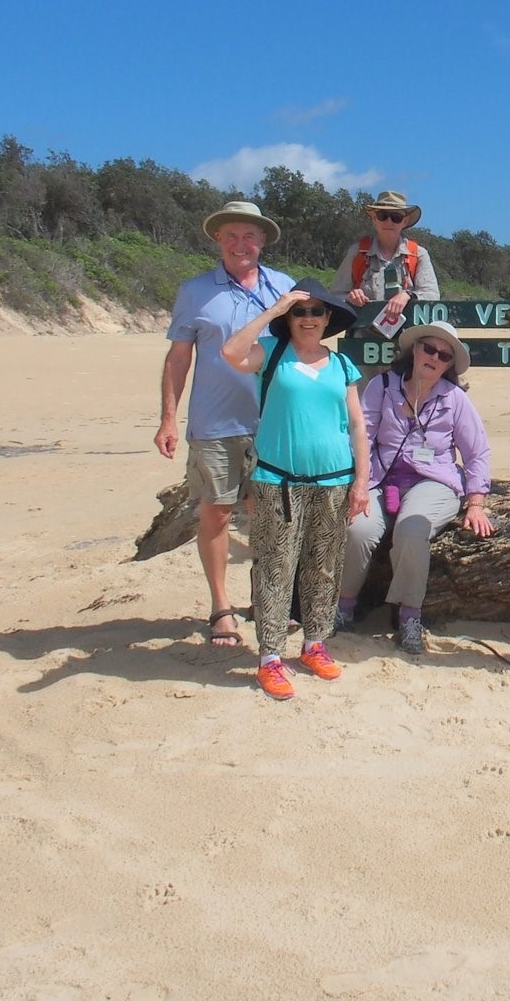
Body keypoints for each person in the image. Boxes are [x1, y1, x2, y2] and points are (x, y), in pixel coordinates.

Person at [154, 200, 294, 648]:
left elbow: (304, 349)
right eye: (231, 235)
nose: (241, 244)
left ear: (263, 240)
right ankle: (220, 607)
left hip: (273, 422)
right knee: (215, 514)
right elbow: (179, 358)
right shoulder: (196, 291)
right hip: (214, 423)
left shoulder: (285, 288)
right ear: (218, 239)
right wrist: (167, 419)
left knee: (268, 517)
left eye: (249, 235)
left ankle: (266, 600)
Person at [221, 278, 369, 699]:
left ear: (328, 319)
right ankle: (270, 656)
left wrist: (361, 481)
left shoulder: (341, 366)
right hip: (276, 481)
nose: (308, 319)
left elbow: (357, 425)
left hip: (334, 481)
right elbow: (231, 354)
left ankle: (314, 644)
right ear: (290, 317)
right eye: (300, 312)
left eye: (316, 312)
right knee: (274, 566)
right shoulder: (271, 353)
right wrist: (272, 310)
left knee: (323, 566)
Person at [339, 321, 495, 654]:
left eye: (443, 355)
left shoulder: (455, 400)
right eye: (429, 348)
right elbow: (361, 436)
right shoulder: (381, 386)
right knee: (358, 530)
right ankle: (343, 607)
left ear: (449, 365)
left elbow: (477, 451)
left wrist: (477, 500)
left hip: (434, 481)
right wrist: (360, 482)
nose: (434, 357)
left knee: (411, 531)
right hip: (381, 478)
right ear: (414, 350)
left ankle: (409, 616)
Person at [333, 191, 441, 325]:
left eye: (396, 217)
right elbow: (335, 296)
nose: (389, 222)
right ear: (374, 219)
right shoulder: (357, 252)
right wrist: (350, 297)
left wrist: (408, 295)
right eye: (382, 216)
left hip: (407, 340)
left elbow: (432, 295)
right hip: (363, 338)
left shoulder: (418, 254)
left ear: (404, 222)